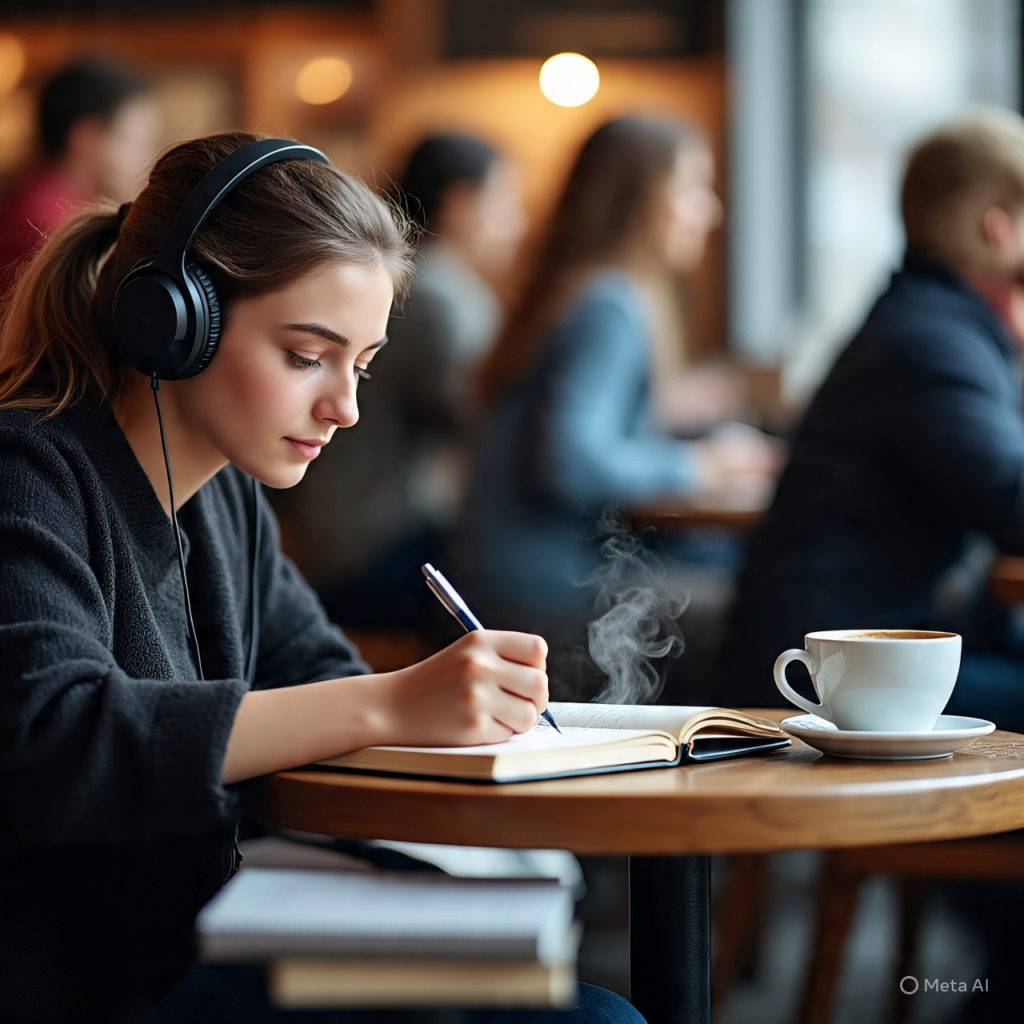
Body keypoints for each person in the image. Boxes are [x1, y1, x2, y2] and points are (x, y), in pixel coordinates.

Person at [0, 131, 643, 1024]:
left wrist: (443, 709)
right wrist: (389, 704)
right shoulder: (27, 473)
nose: (343, 407)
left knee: (595, 1010)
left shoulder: (225, 502)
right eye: (308, 356)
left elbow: (317, 673)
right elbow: (52, 736)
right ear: (173, 320)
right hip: (89, 987)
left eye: (362, 366)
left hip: (205, 940)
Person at [722, 109, 1024, 1024]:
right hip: (835, 676)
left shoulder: (927, 324)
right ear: (998, 226)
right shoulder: (934, 340)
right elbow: (1013, 499)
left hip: (865, 651)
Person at [453, 115, 778, 698]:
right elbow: (571, 465)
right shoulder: (611, 303)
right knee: (761, 612)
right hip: (540, 593)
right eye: (692, 189)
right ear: (641, 201)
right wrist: (705, 465)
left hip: (496, 577)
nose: (709, 211)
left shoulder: (574, 288)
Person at [274, 132, 527, 630]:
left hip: (348, 528)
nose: (518, 223)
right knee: (515, 580)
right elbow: (481, 423)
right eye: (506, 202)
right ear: (460, 204)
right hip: (374, 543)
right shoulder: (434, 295)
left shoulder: (432, 286)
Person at [0, 53, 160, 290]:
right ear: (85, 139)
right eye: (137, 141)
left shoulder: (56, 207)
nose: (148, 158)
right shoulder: (47, 228)